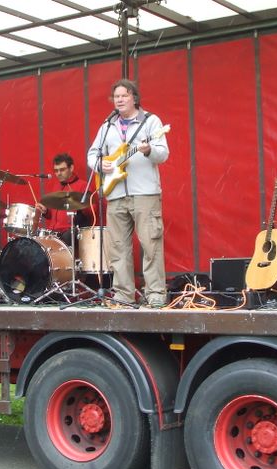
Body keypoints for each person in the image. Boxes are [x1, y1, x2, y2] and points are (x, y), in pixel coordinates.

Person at [87, 79, 169, 308]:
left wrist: (149, 150)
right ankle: (124, 294)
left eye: (124, 95)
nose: (120, 100)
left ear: (134, 97)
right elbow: (92, 154)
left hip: (145, 194)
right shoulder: (107, 125)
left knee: (151, 245)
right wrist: (100, 164)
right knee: (118, 248)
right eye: (116, 96)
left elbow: (163, 154)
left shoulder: (151, 122)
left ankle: (155, 294)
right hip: (115, 194)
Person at [36, 153, 91, 246]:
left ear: (71, 168)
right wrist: (45, 211)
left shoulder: (83, 186)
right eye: (56, 170)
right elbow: (53, 214)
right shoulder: (56, 186)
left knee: (66, 237)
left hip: (70, 233)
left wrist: (78, 204)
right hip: (53, 233)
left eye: (62, 170)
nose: (58, 173)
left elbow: (91, 212)